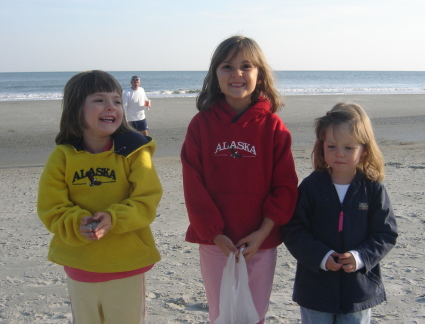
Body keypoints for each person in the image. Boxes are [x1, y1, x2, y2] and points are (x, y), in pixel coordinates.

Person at [180, 35, 298, 323]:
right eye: (227, 67)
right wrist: (213, 232)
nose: (237, 74)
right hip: (215, 241)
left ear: (259, 74)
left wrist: (264, 231)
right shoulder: (201, 125)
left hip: (259, 241)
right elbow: (192, 185)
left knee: (254, 312)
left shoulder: (272, 126)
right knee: (220, 313)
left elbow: (285, 185)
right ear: (215, 75)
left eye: (246, 66)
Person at [37, 70, 162, 324]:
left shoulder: (134, 151)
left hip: (126, 262)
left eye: (116, 101)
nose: (111, 107)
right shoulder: (63, 155)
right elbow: (51, 207)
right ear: (76, 108)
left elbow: (146, 200)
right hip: (80, 262)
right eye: (99, 100)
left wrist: (113, 217)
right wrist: (76, 222)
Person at [282, 102, 398, 324]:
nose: (340, 154)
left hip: (358, 291)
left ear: (363, 150)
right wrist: (322, 257)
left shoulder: (372, 189)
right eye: (332, 146)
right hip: (315, 291)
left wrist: (360, 257)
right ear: (321, 146)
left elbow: (385, 234)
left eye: (349, 147)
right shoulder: (311, 187)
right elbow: (293, 230)